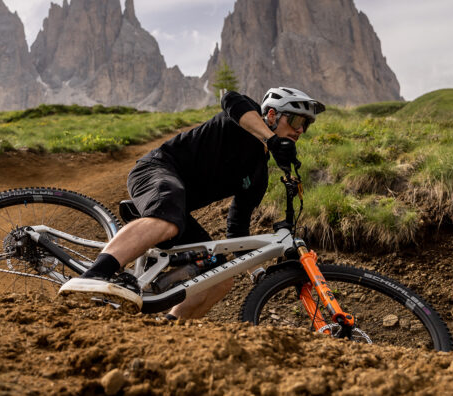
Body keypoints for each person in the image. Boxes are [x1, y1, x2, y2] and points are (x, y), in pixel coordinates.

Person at [59, 87, 325, 318]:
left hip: (177, 212)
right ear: (271, 115)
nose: (301, 129)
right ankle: (93, 275)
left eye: (306, 124)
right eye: (296, 119)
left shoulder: (258, 176)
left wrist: (257, 271)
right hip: (156, 172)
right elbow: (230, 99)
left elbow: (237, 230)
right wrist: (270, 139)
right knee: (168, 216)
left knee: (221, 279)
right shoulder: (244, 119)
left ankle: (169, 327)